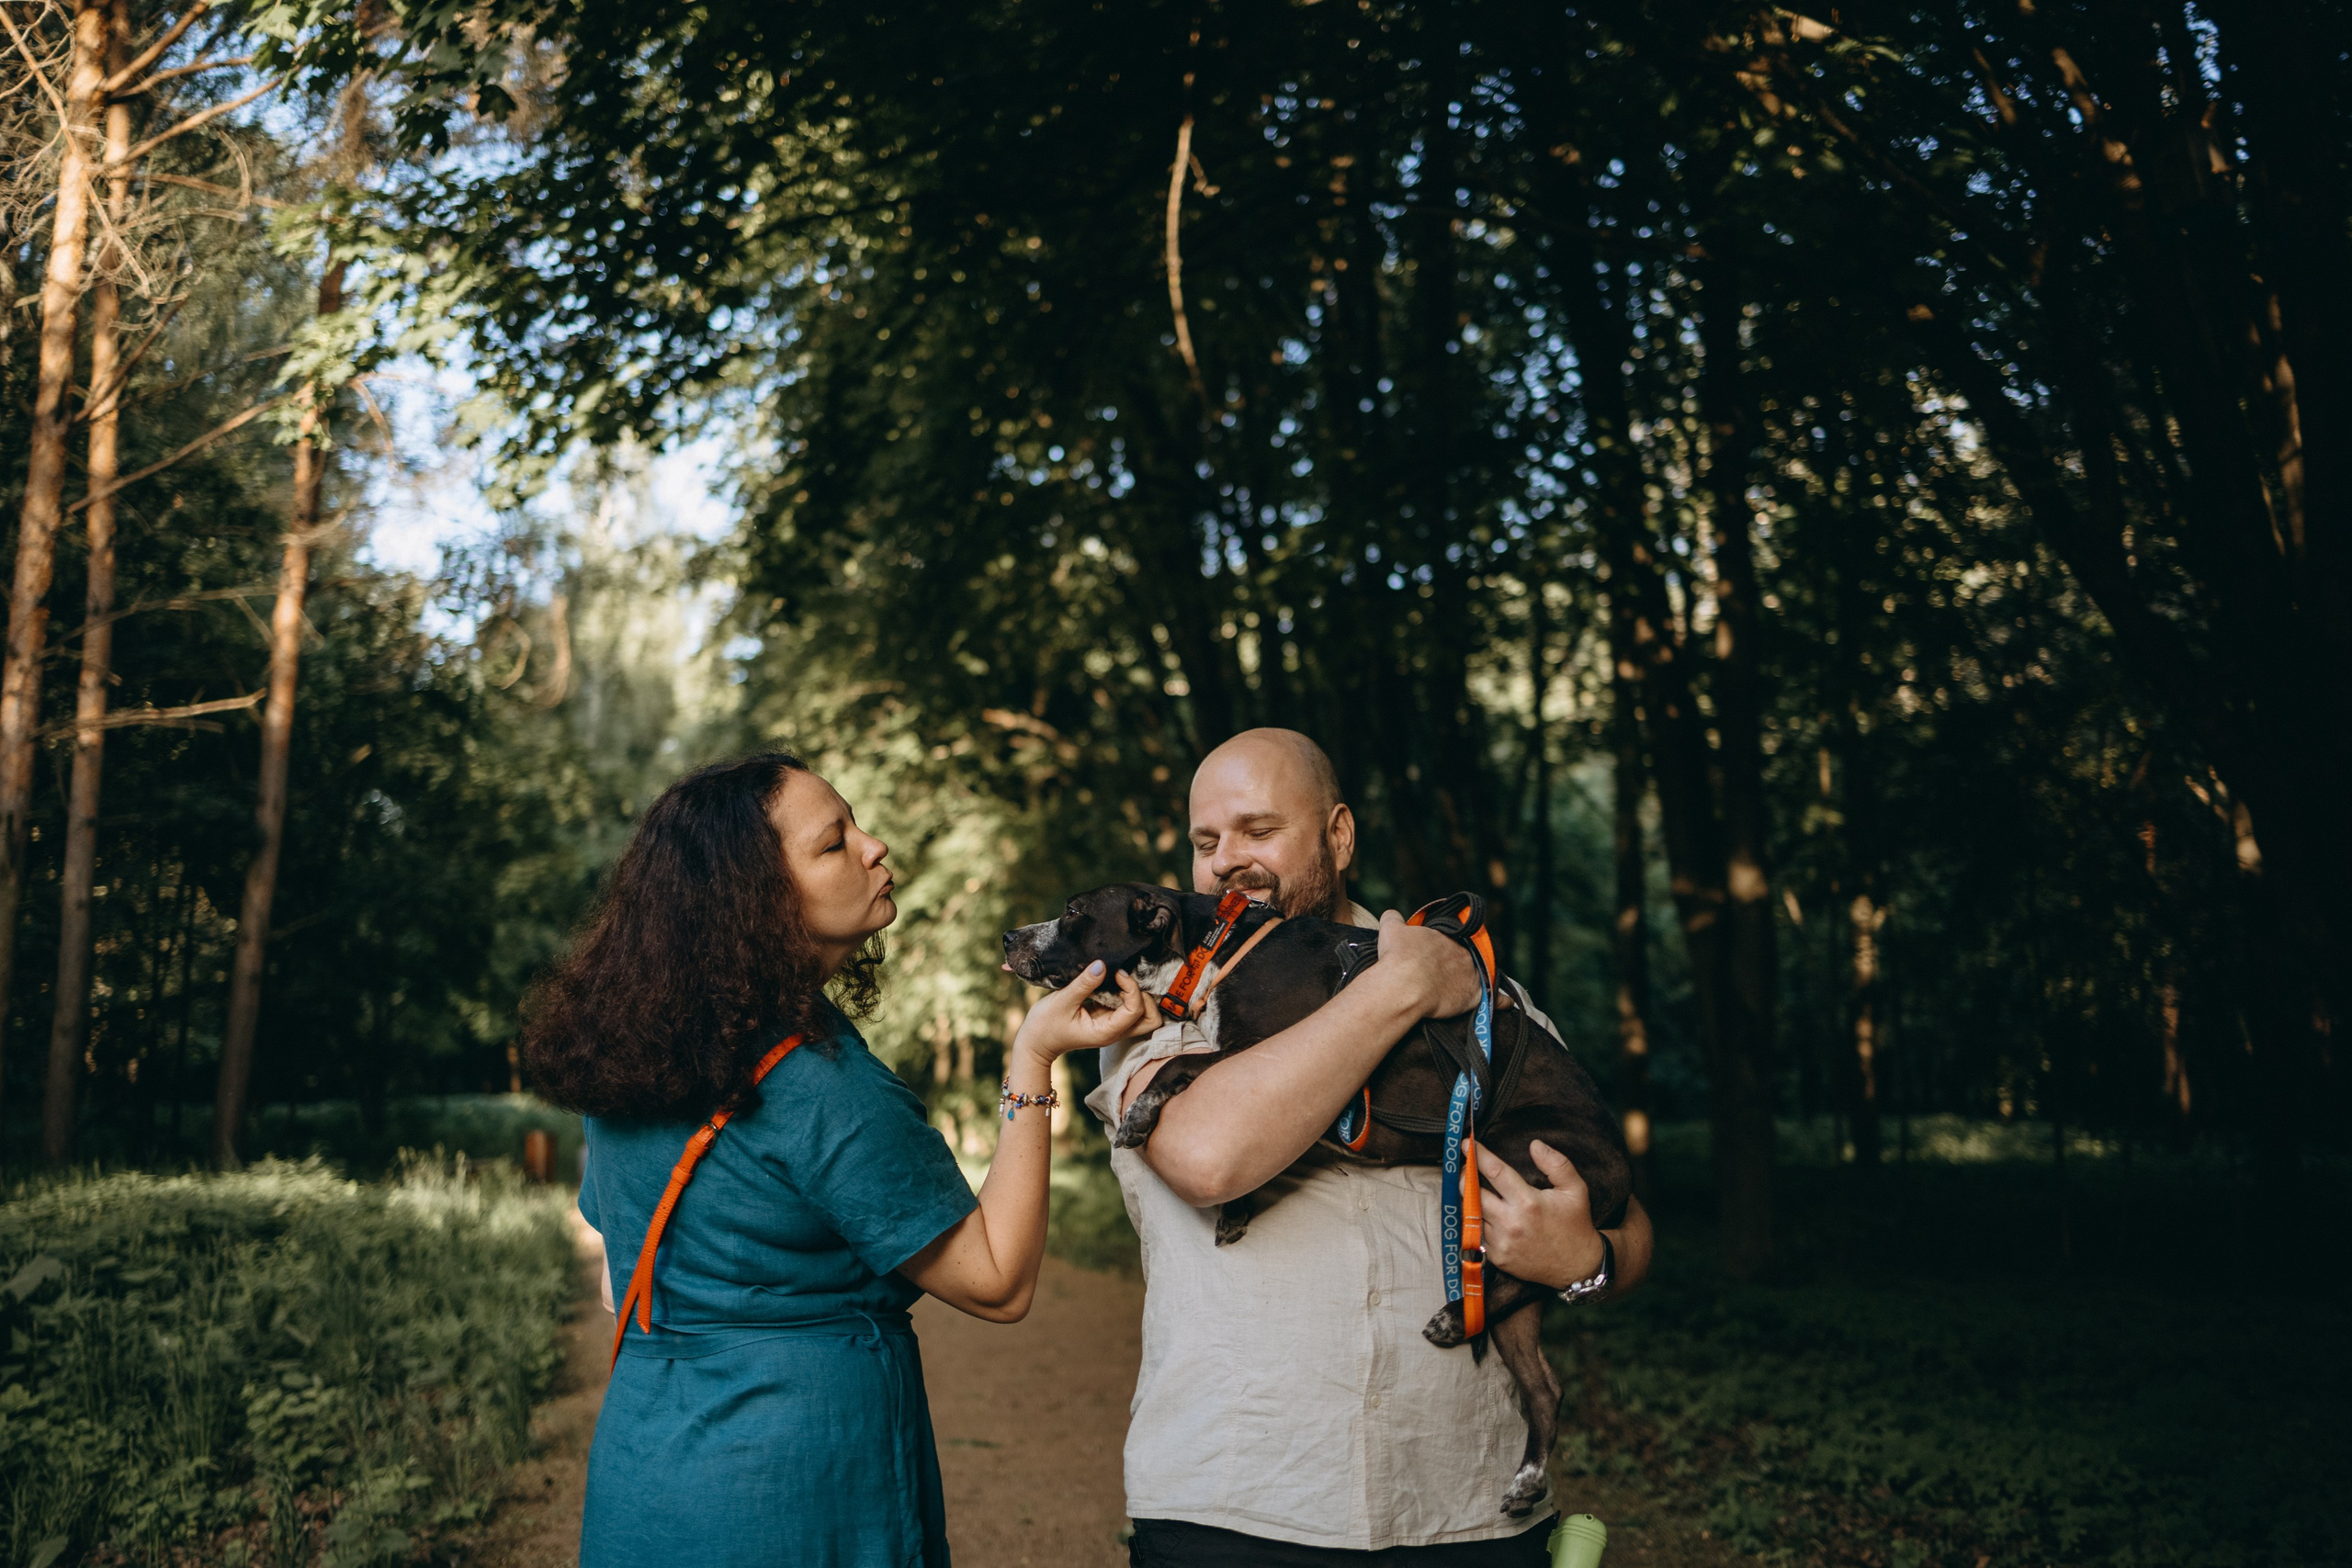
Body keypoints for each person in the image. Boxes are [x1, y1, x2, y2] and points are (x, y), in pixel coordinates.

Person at [525, 752, 1148, 1568]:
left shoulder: (636, 1059)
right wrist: (1032, 1060)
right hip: (801, 1491)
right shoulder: (822, 1087)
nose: (875, 845)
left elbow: (619, 1276)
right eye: (833, 843)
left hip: (649, 1483)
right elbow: (998, 1281)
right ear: (760, 900)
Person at [1088, 728, 1657, 1567]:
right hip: (1236, 1508)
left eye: (1258, 830)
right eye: (1206, 842)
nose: (1224, 863)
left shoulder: (1484, 995)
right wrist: (1404, 985)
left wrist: (1587, 1258)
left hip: (1466, 1509)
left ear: (1339, 835)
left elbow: (1629, 1224)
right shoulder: (1158, 1005)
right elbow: (1211, 1160)